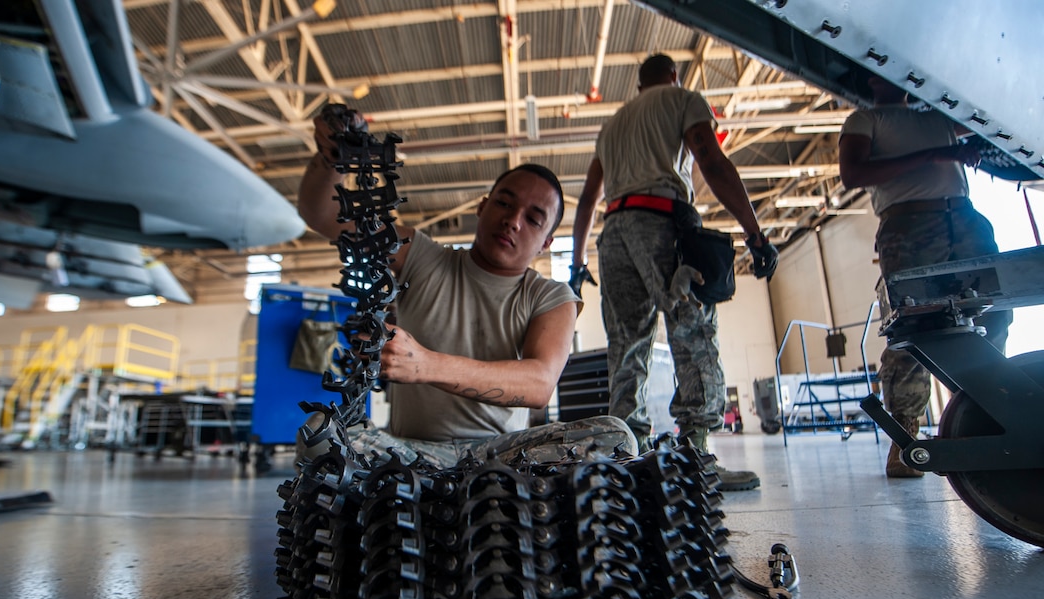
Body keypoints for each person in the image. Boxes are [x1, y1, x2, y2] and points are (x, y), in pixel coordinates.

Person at [295, 109, 637, 469]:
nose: (512, 220)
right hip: (409, 455)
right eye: (504, 203)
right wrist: (333, 156)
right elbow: (322, 215)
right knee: (319, 433)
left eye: (533, 219)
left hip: (503, 458)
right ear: (482, 206)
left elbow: (539, 384)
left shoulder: (552, 297)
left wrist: (426, 365)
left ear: (546, 244)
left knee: (616, 436)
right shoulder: (421, 257)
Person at [571, 53, 777, 491]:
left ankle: (627, 459)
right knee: (693, 334)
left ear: (639, 84)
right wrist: (755, 233)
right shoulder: (683, 99)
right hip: (663, 222)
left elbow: (588, 199)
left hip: (614, 234)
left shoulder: (613, 125)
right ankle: (698, 456)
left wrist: (576, 263)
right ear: (673, 76)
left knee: (626, 348)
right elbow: (712, 161)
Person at [838, 75, 1012, 478]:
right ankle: (906, 443)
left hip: (964, 218)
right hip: (909, 224)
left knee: (993, 315)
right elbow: (853, 173)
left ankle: (985, 419)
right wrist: (934, 155)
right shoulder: (865, 119)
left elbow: (984, 114)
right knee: (911, 331)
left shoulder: (937, 116)